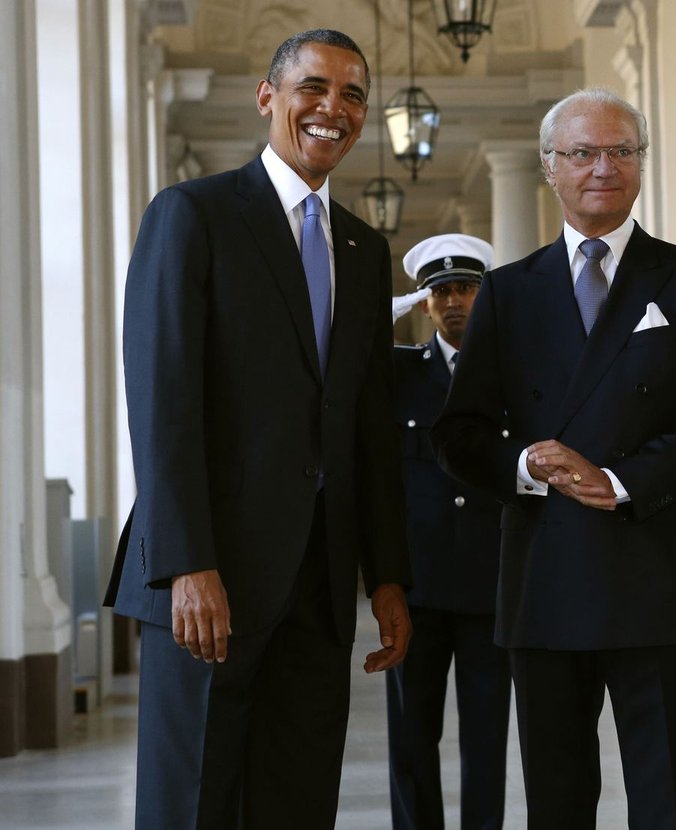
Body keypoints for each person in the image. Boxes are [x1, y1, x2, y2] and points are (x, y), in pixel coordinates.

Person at [104, 29, 412, 829]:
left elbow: (368, 427)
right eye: (314, 87)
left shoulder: (365, 248)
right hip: (208, 581)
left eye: (352, 96)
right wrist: (186, 563)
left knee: (298, 799)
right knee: (194, 802)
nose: (332, 110)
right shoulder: (192, 215)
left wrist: (386, 575)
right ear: (269, 96)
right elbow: (162, 399)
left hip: (318, 583)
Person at [430, 88, 676, 829]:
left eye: (620, 151)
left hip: (659, 580)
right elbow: (460, 432)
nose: (602, 167)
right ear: (550, 167)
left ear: (641, 163)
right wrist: (525, 466)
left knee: (667, 801)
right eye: (582, 152)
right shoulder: (508, 293)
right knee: (558, 802)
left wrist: (618, 480)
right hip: (546, 580)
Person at [386, 234, 510, 829]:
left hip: (491, 589)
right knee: (411, 740)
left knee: (486, 743)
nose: (454, 301)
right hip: (416, 590)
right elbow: (329, 347)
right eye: (440, 292)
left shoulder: (511, 378)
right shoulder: (397, 374)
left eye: (465, 288)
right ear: (424, 303)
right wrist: (391, 309)